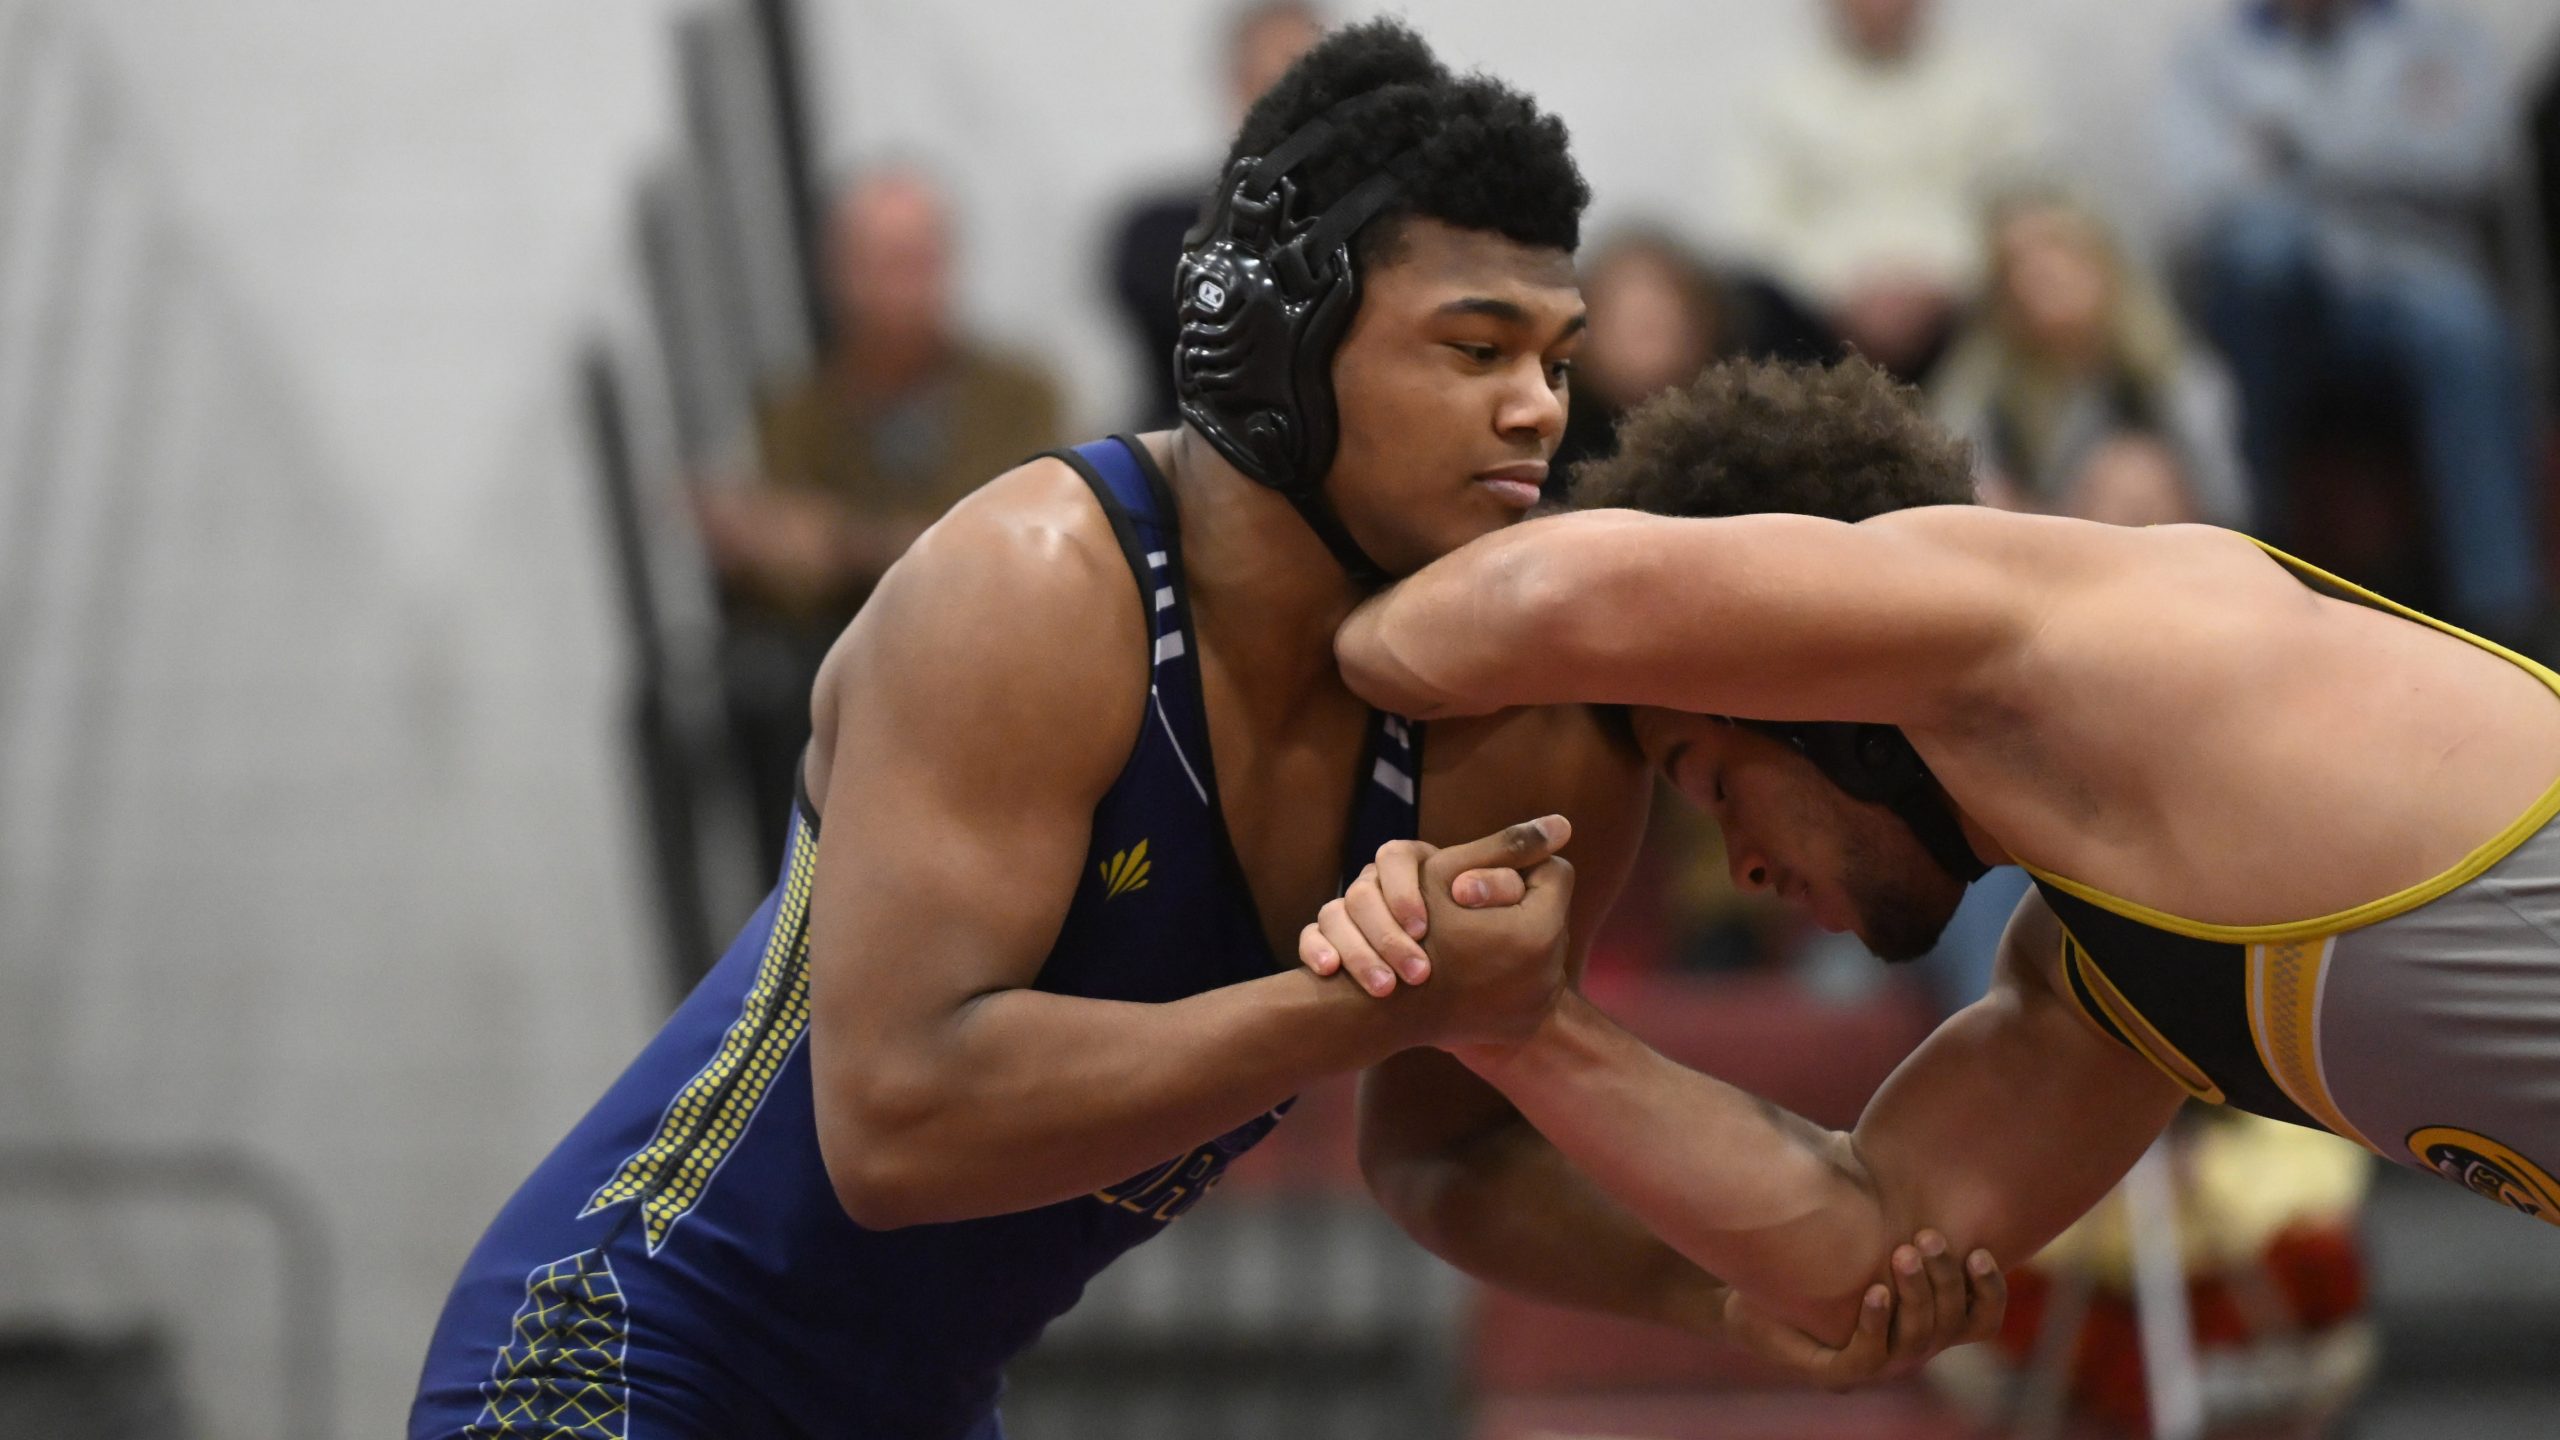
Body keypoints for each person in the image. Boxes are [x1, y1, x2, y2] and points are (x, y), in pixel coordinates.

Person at [412, 29, 1991, 1440]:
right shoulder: (1035, 588)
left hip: (922, 1403)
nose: (1537, 409)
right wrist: (1349, 1006)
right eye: (1476, 347)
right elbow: (893, 1123)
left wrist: (1713, 1293)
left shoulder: (1518, 734)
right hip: (624, 1355)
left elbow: (1443, 1156)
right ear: (1279, 341)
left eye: (1556, 360)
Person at [1302, 355, 2560, 1351]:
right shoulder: (2108, 981)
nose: (1742, 867)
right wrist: (1519, 1023)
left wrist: (1303, 650)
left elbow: (1552, 599)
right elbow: (1865, 1250)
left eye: (1713, 782)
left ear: (1799, 684)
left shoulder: (2083, 636)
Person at [698, 167, 1065, 858]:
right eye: (879, 263)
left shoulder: (1018, 395)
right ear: (836, 273)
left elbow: (1022, 545)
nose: (900, 287)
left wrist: (841, 542)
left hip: (996, 669)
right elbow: (788, 576)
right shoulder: (795, 412)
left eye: (915, 261)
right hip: (846, 695)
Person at [2163, 0, 2546, 645]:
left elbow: (2473, 155)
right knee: (2260, 259)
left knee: (2460, 328)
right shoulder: (2209, 60)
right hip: (2283, 307)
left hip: (2415, 277)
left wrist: (2297, 152)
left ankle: (2505, 622)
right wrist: (2380, 149)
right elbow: (2200, 202)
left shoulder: (2441, 37)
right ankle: (2264, 564)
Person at [1724, 0, 2044, 380]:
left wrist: (1941, 282)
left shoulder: (1989, 81)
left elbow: (2022, 200)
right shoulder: (1779, 93)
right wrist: (1841, 291)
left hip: (1962, 314)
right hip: (1817, 320)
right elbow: (1752, 225)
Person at [1931, 188, 2250, 529]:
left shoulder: (2161, 373)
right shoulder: (1986, 380)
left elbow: (2225, 500)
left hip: (2159, 546)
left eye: (2056, 249)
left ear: (2101, 263)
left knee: (2133, 475)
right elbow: (1949, 484)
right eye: (2017, 262)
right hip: (2039, 545)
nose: (2039, 273)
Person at [1107, 0, 1324, 429]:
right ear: (1235, 86)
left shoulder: (1376, 235)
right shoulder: (1156, 233)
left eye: (1313, 92)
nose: (1294, 113)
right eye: (1272, 86)